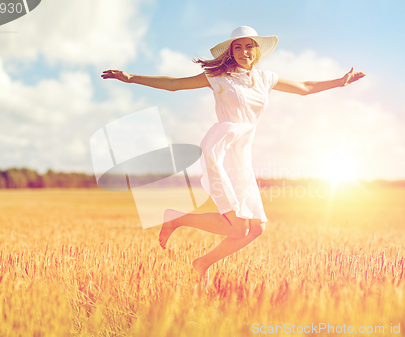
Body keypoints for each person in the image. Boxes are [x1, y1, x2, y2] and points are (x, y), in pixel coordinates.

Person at [101, 26, 365, 289]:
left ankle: (201, 263)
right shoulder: (219, 77)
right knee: (238, 227)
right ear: (230, 52)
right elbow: (173, 85)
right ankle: (176, 219)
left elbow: (305, 87)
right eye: (237, 47)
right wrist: (131, 77)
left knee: (257, 228)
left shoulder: (265, 78)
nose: (243, 51)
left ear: (257, 50)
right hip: (222, 148)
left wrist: (340, 82)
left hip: (242, 151)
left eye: (248, 46)